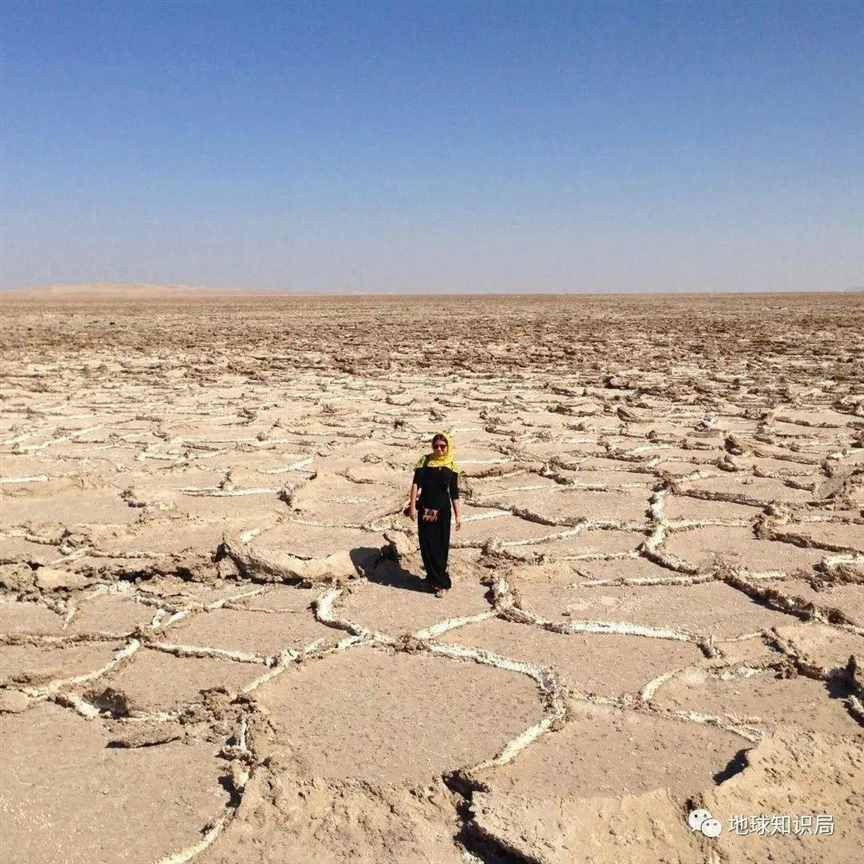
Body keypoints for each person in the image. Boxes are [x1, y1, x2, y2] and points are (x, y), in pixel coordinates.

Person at [407, 432, 462, 596]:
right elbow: (416, 484)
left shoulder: (451, 466)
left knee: (440, 546)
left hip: (443, 512)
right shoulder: (424, 461)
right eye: (436, 446)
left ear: (447, 447)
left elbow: (454, 492)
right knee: (426, 545)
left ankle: (442, 584)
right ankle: (431, 579)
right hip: (425, 509)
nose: (439, 449)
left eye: (442, 446)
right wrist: (412, 507)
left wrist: (458, 515)